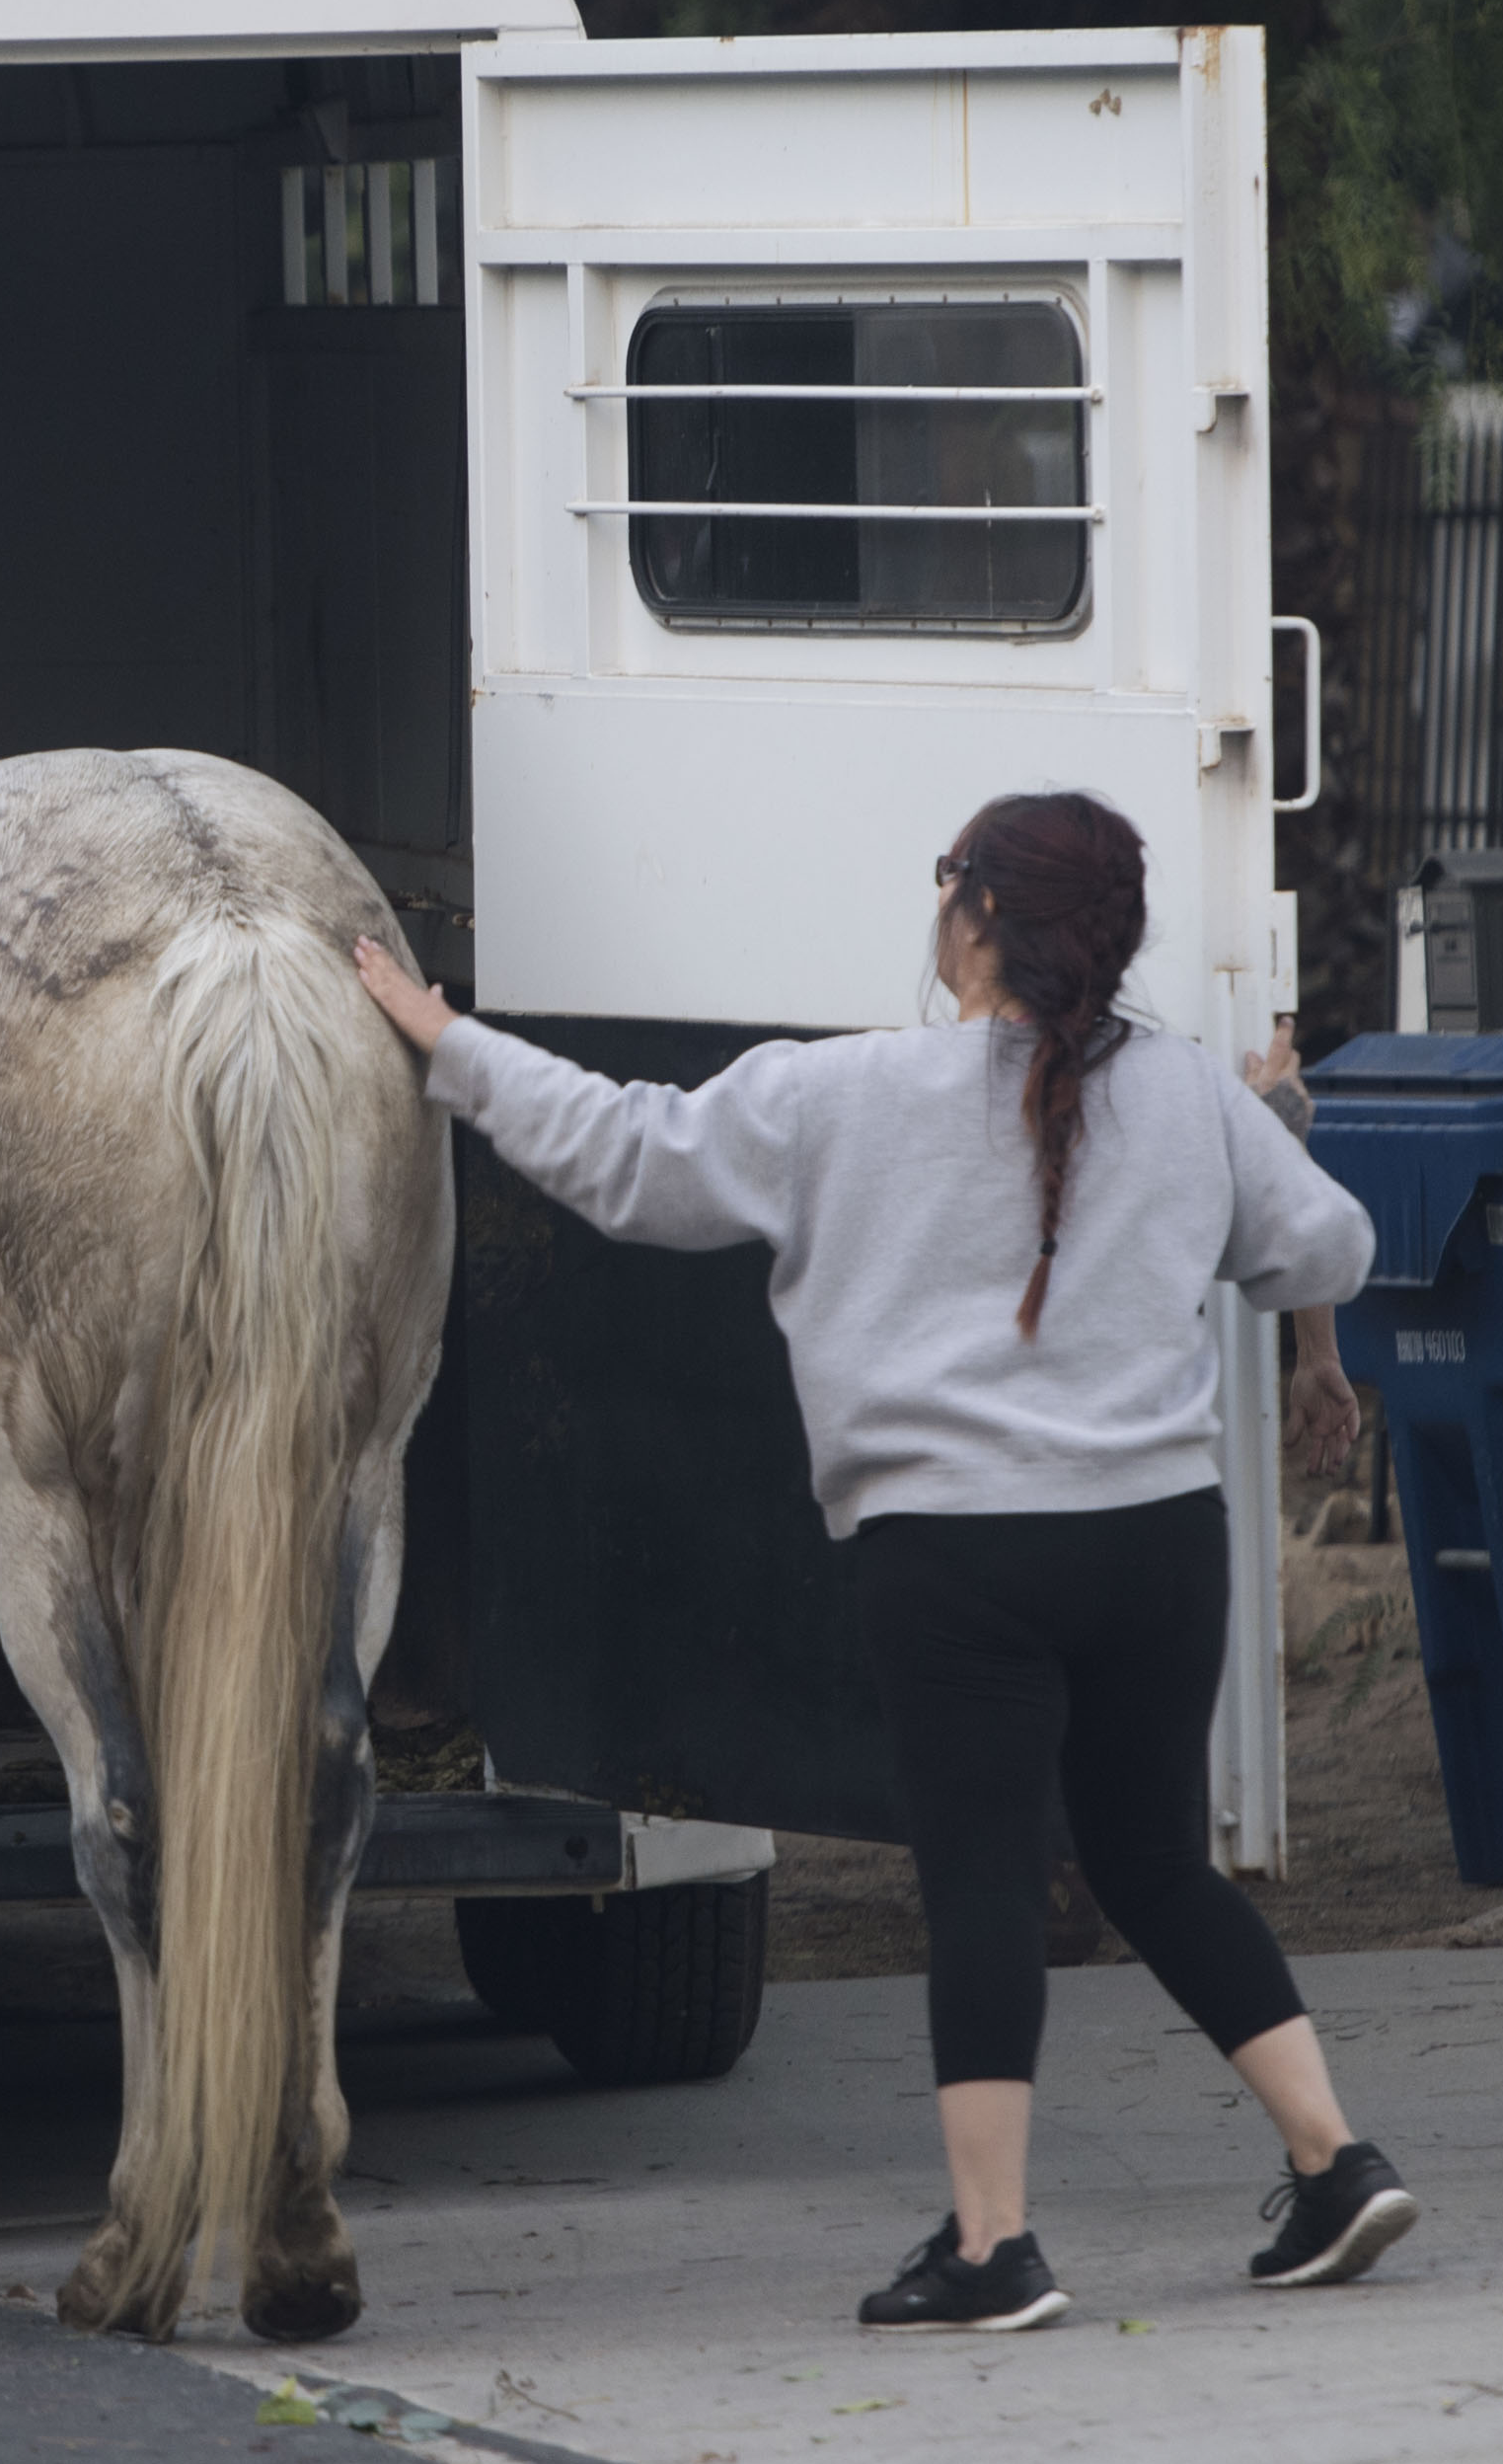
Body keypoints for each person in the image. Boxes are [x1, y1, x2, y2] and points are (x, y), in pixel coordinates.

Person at [349, 790, 1412, 2336]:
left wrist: (448, 1043)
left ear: (973, 914)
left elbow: (624, 1156)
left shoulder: (838, 1094)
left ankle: (995, 2246)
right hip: (1157, 1545)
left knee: (982, 1875)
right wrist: (1258, 1128)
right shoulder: (1187, 1093)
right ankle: (1333, 2157)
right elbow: (1329, 1253)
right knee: (1154, 1861)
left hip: (956, 1551)